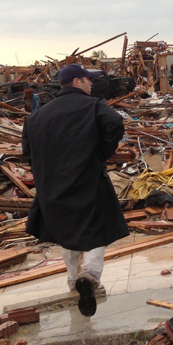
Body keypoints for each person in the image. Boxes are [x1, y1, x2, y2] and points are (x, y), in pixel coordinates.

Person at [22, 64, 130, 317]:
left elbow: (28, 151)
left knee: (66, 232)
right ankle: (89, 276)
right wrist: (101, 152)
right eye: (88, 80)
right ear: (77, 81)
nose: (92, 85)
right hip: (88, 179)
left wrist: (45, 168)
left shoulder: (37, 116)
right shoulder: (93, 106)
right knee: (96, 228)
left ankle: (73, 282)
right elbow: (115, 122)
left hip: (52, 185)